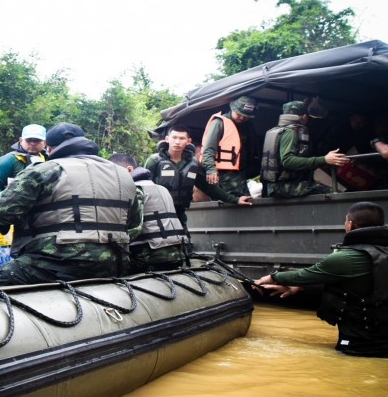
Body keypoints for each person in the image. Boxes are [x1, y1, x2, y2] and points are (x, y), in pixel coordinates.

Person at [0, 123, 141, 287]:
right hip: (114, 264)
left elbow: (3, 214)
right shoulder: (123, 176)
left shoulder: (43, 170)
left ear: (48, 148)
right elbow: (134, 224)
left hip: (53, 264)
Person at [255, 202, 388, 357]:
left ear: (350, 225)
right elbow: (366, 286)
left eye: (345, 221)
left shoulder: (347, 257)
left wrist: (272, 277)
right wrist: (300, 288)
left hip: (361, 345)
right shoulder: (382, 254)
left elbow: (305, 275)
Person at [144, 125, 252, 236]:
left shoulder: (193, 164)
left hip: (180, 212)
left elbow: (209, 188)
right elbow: (143, 188)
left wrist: (235, 200)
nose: (177, 142)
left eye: (181, 138)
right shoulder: (154, 161)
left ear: (188, 141)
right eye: (174, 137)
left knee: (184, 242)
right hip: (157, 213)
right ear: (167, 139)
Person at [110, 153, 188, 272]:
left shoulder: (136, 189)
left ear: (129, 170)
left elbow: (136, 228)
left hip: (152, 256)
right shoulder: (161, 188)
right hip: (178, 253)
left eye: (114, 173)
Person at [260, 101, 349, 198]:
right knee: (335, 194)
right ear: (305, 116)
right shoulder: (291, 132)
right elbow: (287, 160)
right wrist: (324, 159)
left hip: (272, 186)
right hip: (283, 186)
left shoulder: (276, 130)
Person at [201, 96, 260, 197]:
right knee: (240, 200)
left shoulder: (247, 126)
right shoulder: (219, 123)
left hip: (240, 173)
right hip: (223, 173)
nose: (242, 118)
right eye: (239, 114)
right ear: (233, 109)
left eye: (246, 116)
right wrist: (211, 169)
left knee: (245, 200)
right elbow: (209, 149)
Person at [0, 124, 48, 199]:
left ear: (44, 143)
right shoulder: (9, 159)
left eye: (37, 140)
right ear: (21, 140)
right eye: (29, 140)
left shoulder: (48, 159)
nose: (32, 143)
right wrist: (7, 203)